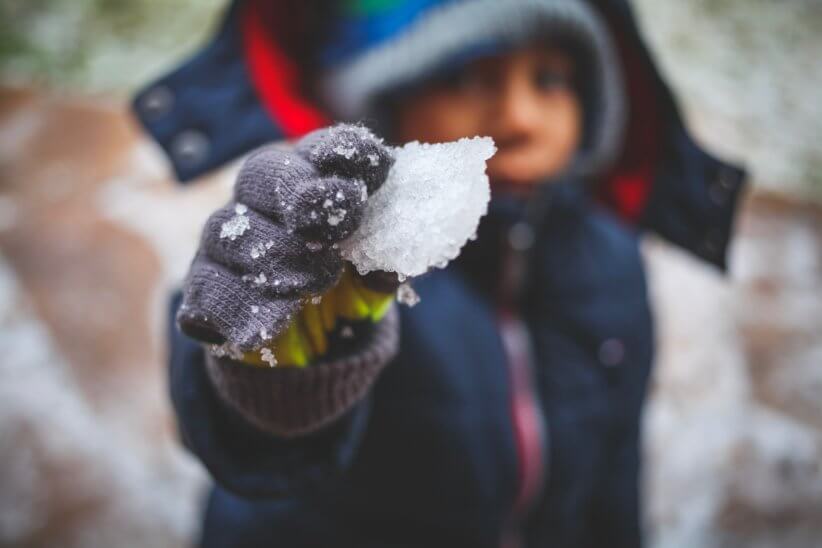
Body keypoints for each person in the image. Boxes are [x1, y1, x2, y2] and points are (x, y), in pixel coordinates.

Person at [133, 1, 746, 546]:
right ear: (388, 105)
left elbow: (615, 470)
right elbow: (253, 444)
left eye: (551, 80)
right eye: (470, 77)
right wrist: (283, 365)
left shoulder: (612, 261)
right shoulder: (345, 252)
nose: (520, 117)